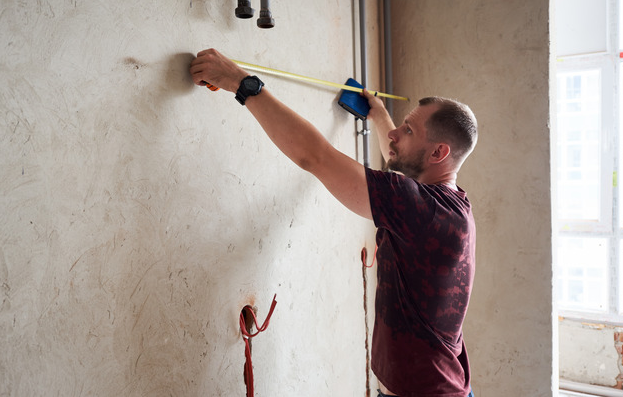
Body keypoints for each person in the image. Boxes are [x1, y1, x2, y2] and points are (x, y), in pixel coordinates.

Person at [190, 48, 477, 397]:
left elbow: (315, 156)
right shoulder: (450, 202)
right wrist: (380, 116)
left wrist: (240, 82)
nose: (395, 135)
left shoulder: (419, 209)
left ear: (438, 153)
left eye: (408, 130)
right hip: (440, 386)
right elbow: (402, 162)